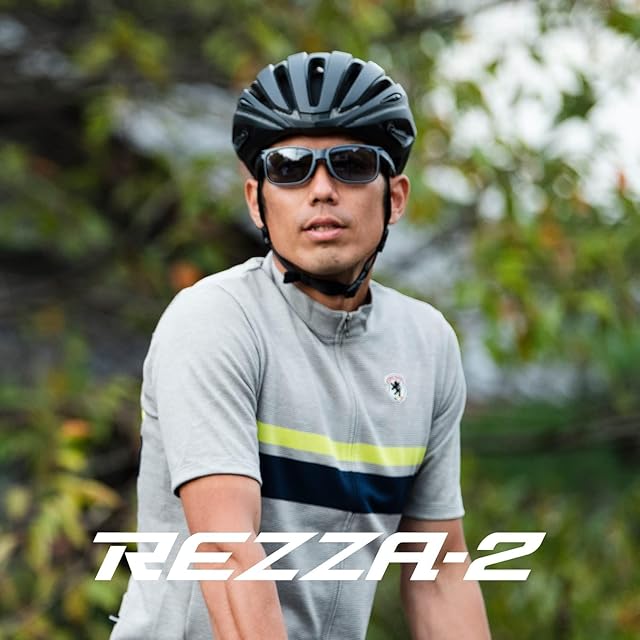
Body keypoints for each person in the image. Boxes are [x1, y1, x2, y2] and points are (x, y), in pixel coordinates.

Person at [110, 50, 491, 639]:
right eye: (289, 168)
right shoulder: (216, 320)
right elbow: (229, 553)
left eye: (351, 164)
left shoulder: (427, 344)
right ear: (256, 201)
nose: (321, 190)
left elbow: (439, 573)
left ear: (394, 197)